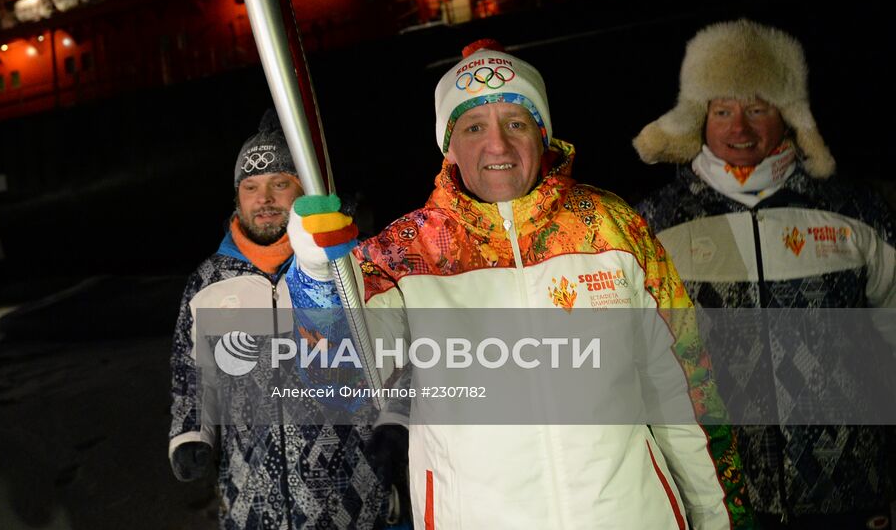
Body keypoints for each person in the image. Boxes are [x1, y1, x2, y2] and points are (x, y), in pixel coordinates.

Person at [285, 39, 752, 529]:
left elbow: (685, 392)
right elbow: (337, 379)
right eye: (473, 127)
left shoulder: (612, 229)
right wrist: (316, 274)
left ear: (541, 134)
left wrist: (721, 518)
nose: (498, 145)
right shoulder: (405, 255)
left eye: (516, 123)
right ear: (450, 146)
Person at [634, 19, 896, 529]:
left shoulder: (853, 208)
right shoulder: (655, 225)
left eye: (758, 108)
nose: (740, 129)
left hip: (851, 489)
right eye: (722, 110)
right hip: (723, 495)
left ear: (791, 115)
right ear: (698, 118)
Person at [168, 110, 397, 530]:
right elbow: (192, 374)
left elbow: (398, 356)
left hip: (352, 499)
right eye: (251, 186)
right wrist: (190, 435)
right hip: (250, 502)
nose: (265, 198)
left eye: (280, 183)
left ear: (304, 191)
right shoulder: (208, 283)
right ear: (237, 196)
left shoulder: (350, 265)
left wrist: (396, 424)